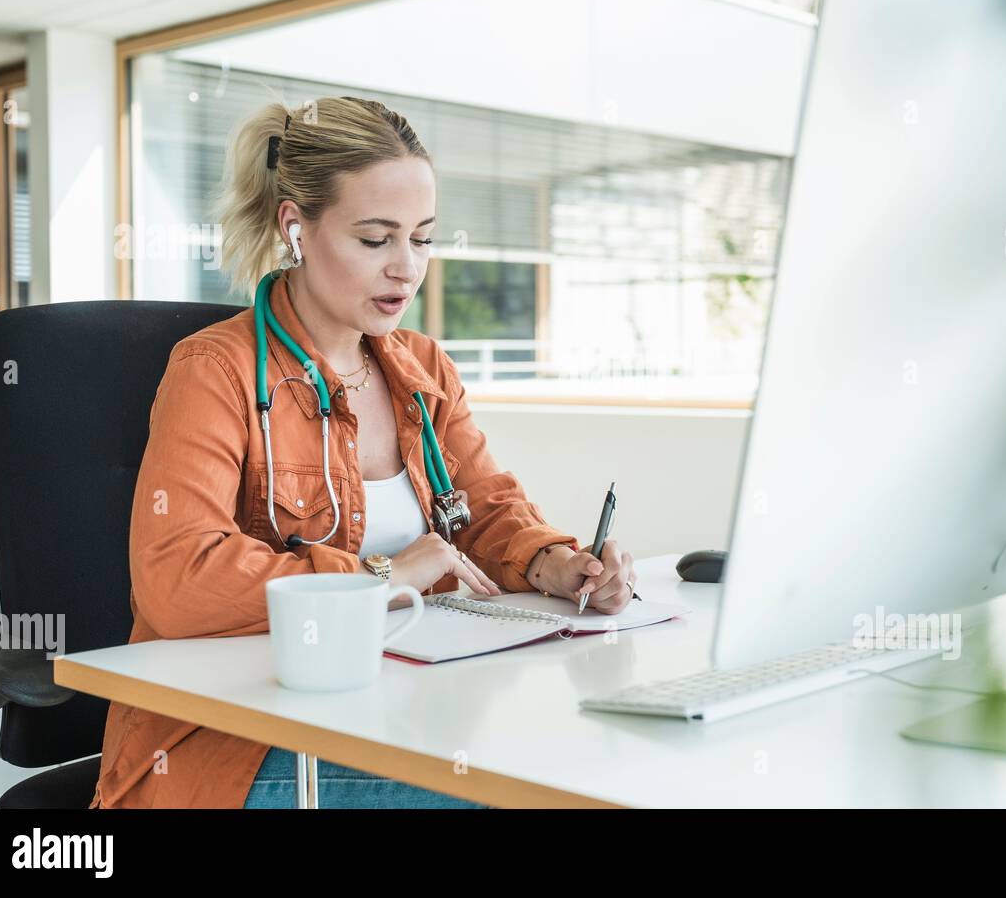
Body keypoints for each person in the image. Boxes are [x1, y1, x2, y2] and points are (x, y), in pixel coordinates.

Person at [89, 95, 637, 808]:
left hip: (400, 708)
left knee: (582, 761)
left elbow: (485, 512)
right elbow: (177, 577)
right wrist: (375, 578)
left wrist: (554, 561)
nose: (406, 269)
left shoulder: (424, 369)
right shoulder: (215, 371)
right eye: (376, 240)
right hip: (234, 744)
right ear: (295, 228)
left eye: (422, 238)